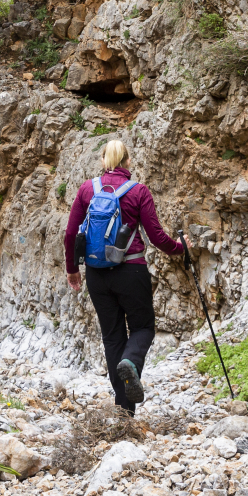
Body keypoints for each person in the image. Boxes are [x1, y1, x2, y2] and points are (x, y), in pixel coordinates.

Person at [63, 140, 186, 414]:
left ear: (103, 161)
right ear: (128, 161)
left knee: (112, 337)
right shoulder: (138, 191)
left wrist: (72, 268)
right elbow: (157, 237)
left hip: (96, 274)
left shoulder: (87, 189)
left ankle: (124, 413)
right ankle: (131, 361)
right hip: (131, 270)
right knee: (143, 328)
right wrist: (180, 248)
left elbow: (71, 233)